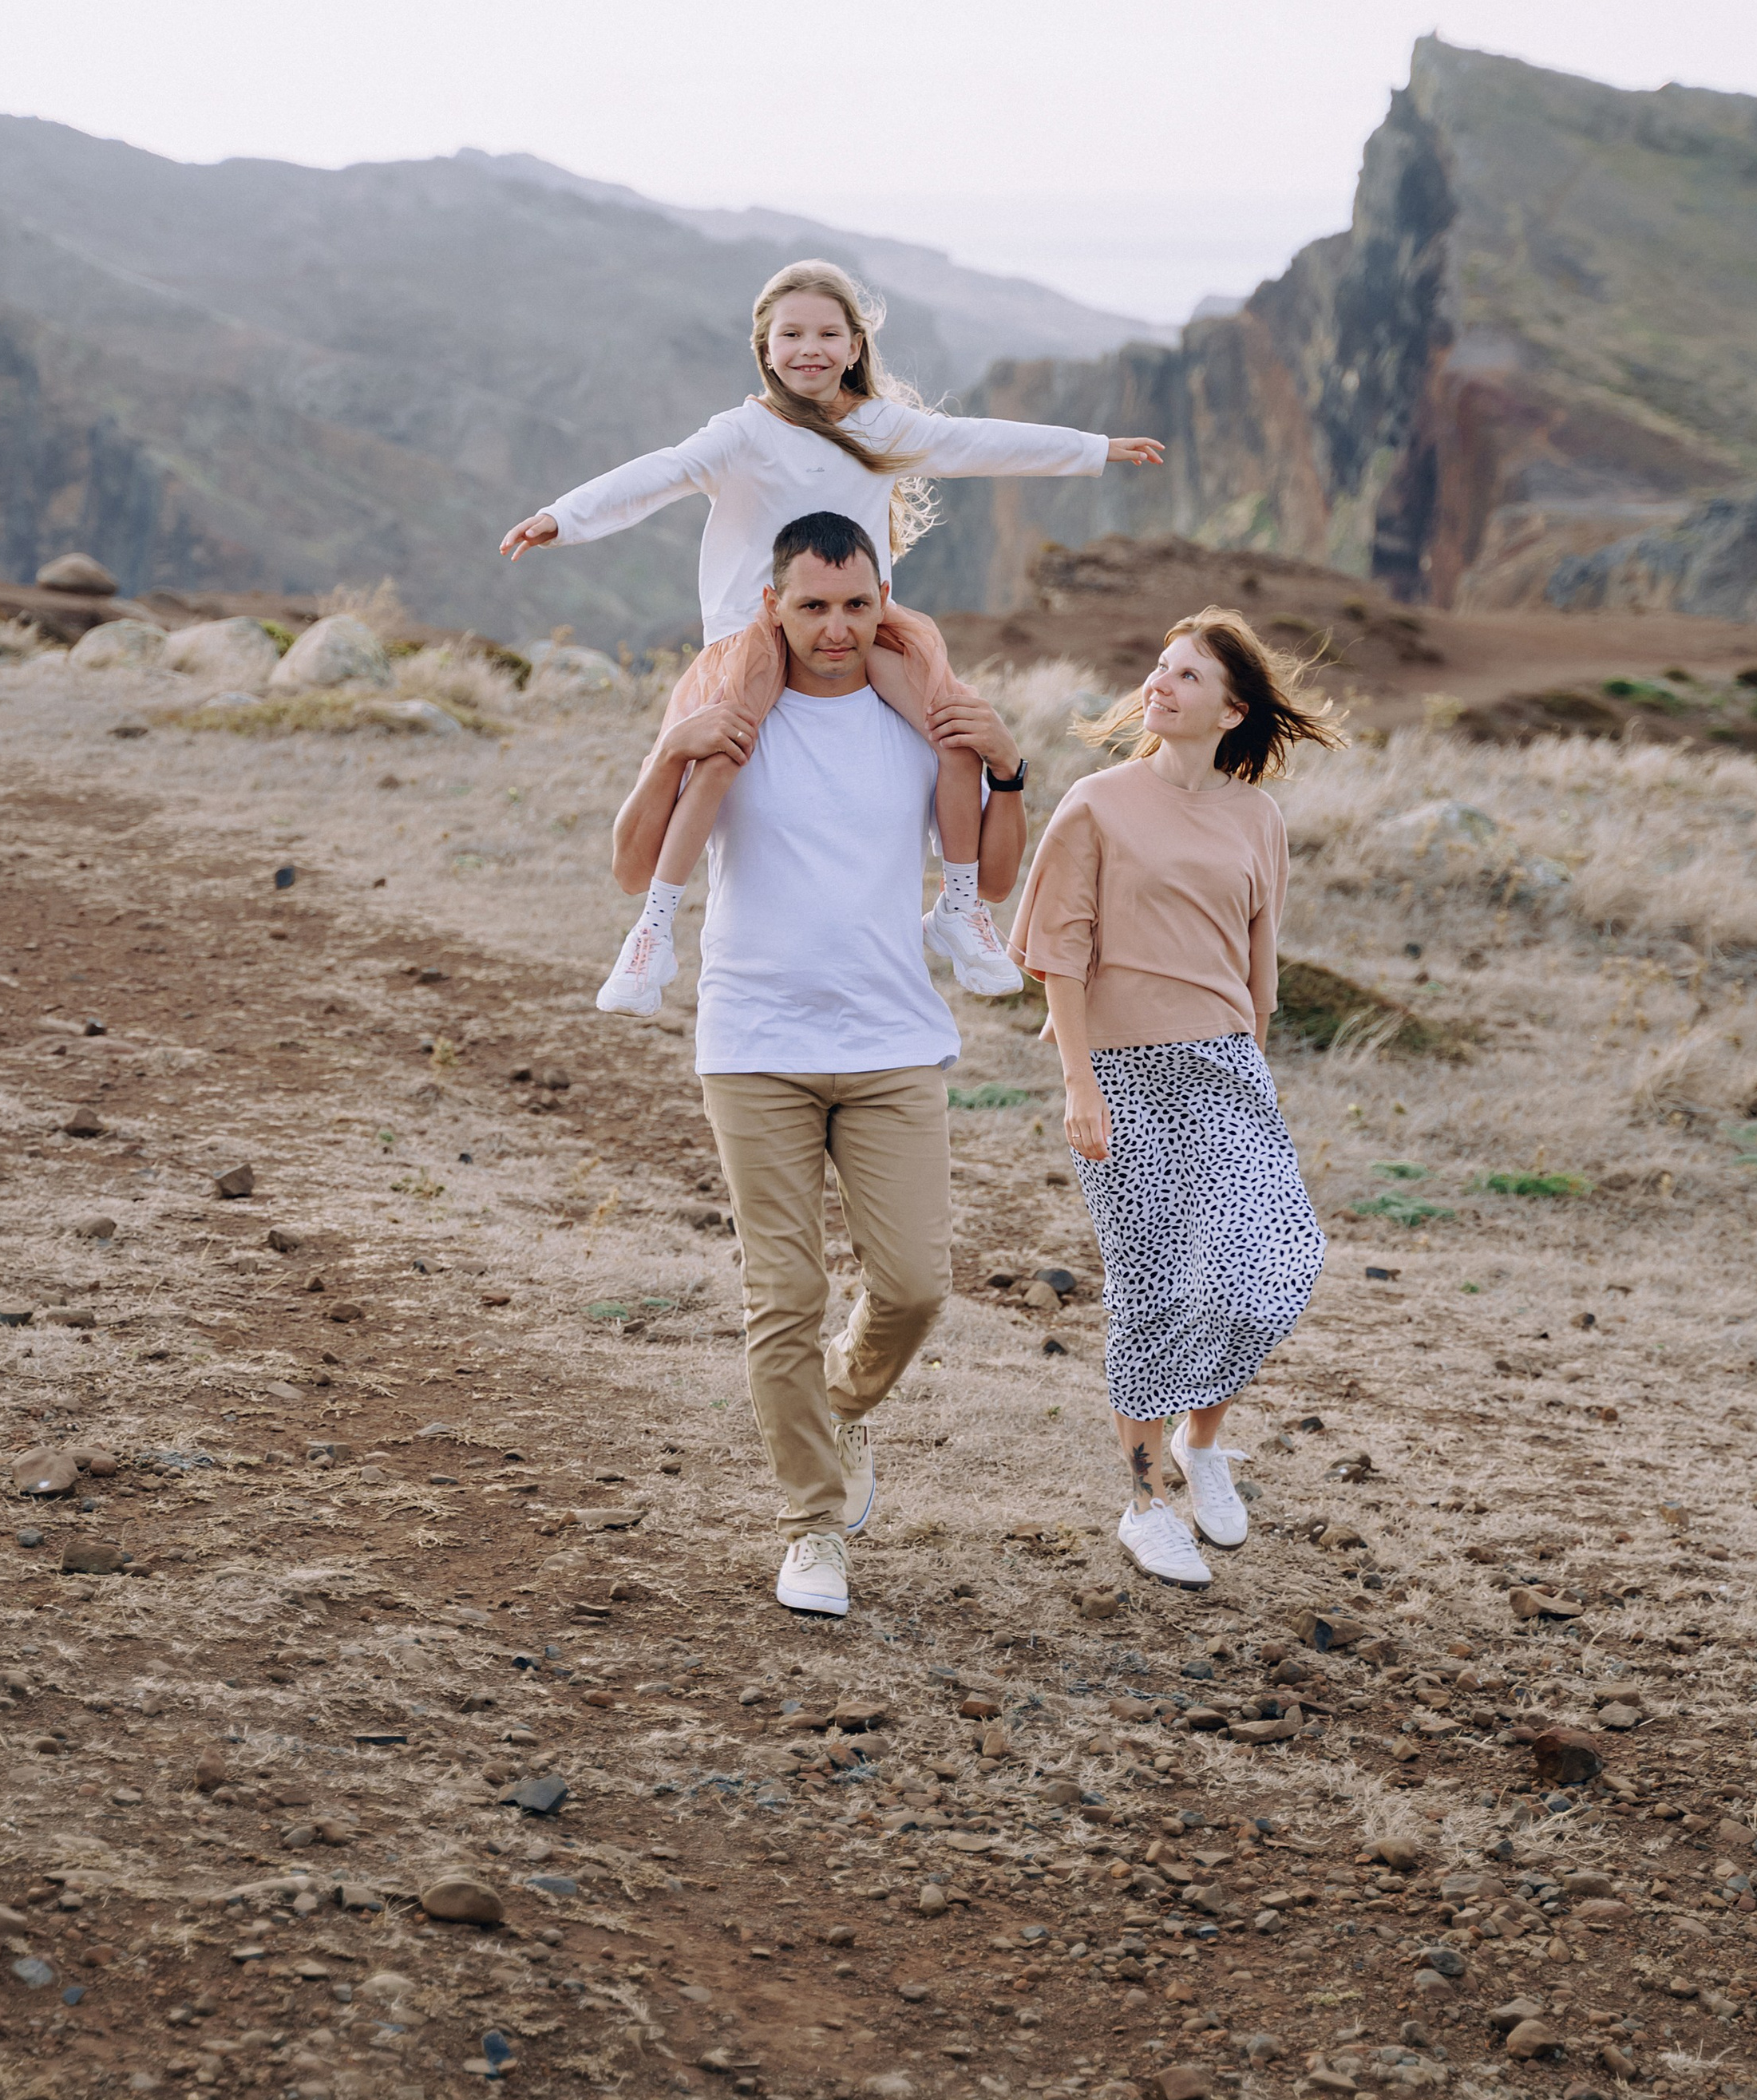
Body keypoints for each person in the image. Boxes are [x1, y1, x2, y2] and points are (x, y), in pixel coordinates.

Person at [501, 257, 1161, 1016]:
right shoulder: (743, 433)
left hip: (859, 623)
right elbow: (660, 472)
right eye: (791, 334)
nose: (808, 348)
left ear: (854, 346)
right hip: (755, 632)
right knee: (718, 757)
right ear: (764, 347)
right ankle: (651, 934)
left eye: (826, 333)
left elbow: (980, 443)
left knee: (951, 735)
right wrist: (564, 517)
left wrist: (1093, 448)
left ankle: (958, 907)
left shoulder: (883, 427)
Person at [608, 509, 1028, 1619]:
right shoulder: (729, 711)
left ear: (881, 602)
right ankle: (811, 1527)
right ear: (773, 606)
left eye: (856, 606)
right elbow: (631, 864)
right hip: (754, 1043)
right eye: (812, 607)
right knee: (783, 1294)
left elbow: (984, 872)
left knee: (915, 1285)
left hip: (893, 1041)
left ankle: (837, 1404)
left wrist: (1010, 765)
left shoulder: (918, 717)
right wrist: (667, 751)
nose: (835, 629)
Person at [1009, 608, 1344, 1590]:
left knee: (1270, 1261)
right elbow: (1058, 955)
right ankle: (1146, 1501)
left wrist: (1253, 1072)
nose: (1159, 683)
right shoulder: (1095, 802)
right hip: (1119, 1073)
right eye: (1159, 667)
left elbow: (1258, 963)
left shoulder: (1257, 817)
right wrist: (1079, 1082)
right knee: (1153, 1290)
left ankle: (1203, 1446)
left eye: (1186, 675)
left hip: (1226, 1069)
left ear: (1231, 709)